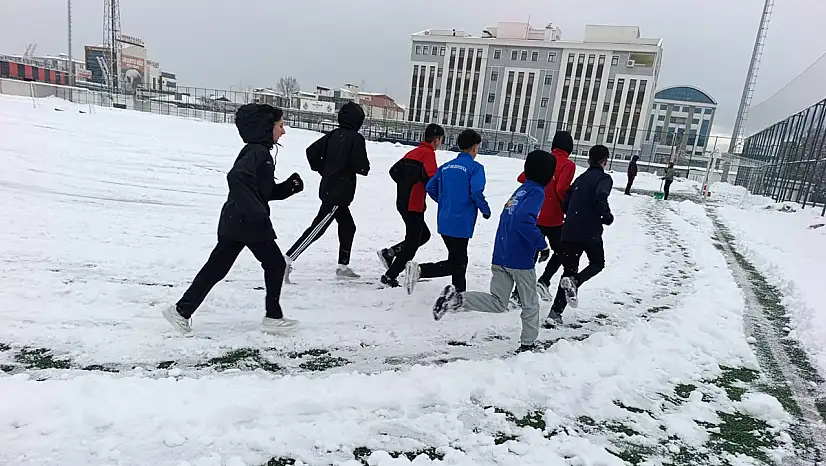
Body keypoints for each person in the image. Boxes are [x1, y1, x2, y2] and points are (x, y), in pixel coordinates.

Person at [163, 104, 303, 335]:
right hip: (247, 222)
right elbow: (236, 178)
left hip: (235, 220)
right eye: (280, 125)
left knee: (216, 268)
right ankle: (273, 316)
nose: (283, 131)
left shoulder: (258, 152)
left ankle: (181, 311)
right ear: (267, 127)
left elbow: (262, 192)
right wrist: (255, 213)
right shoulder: (257, 152)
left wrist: (290, 187)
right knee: (275, 264)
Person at [432, 150, 556, 353]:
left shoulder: (521, 190)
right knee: (530, 304)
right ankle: (528, 345)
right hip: (520, 260)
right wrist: (541, 244)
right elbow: (523, 220)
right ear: (548, 175)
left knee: (498, 302)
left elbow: (509, 217)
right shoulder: (537, 193)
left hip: (501, 255)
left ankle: (457, 299)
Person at [283, 102, 370, 283]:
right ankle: (286, 260)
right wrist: (356, 167)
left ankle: (343, 267)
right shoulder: (356, 138)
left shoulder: (332, 136)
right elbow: (361, 165)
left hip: (331, 188)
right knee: (318, 228)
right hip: (340, 192)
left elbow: (311, 152)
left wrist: (323, 168)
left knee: (348, 227)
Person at [404, 129, 491, 295]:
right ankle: (421, 271)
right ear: (473, 148)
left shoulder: (446, 167)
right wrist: (485, 210)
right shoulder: (475, 168)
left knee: (457, 258)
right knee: (459, 262)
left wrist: (444, 201)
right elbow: (476, 192)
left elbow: (430, 187)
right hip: (461, 221)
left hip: (444, 219)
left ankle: (457, 294)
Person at [546, 145, 614, 327]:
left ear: (588, 160)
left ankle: (554, 314)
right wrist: (606, 216)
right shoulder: (604, 178)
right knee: (597, 263)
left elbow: (565, 204)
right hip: (590, 232)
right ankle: (576, 281)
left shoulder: (580, 179)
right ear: (605, 161)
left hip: (569, 231)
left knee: (568, 271)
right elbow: (601, 196)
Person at [512, 131, 576, 303]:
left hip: (535, 215)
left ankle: (518, 293)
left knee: (530, 254)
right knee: (562, 251)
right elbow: (562, 188)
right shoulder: (568, 165)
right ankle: (544, 280)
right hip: (554, 217)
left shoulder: (544, 160)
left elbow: (522, 178)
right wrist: (568, 206)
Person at [378, 123, 445, 287]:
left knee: (423, 235)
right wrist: (440, 197)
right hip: (413, 204)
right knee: (413, 242)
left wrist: (405, 185)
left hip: (402, 201)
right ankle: (389, 276)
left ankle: (390, 253)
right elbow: (433, 180)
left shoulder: (413, 152)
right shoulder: (428, 154)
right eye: (441, 140)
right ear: (436, 140)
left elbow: (393, 170)